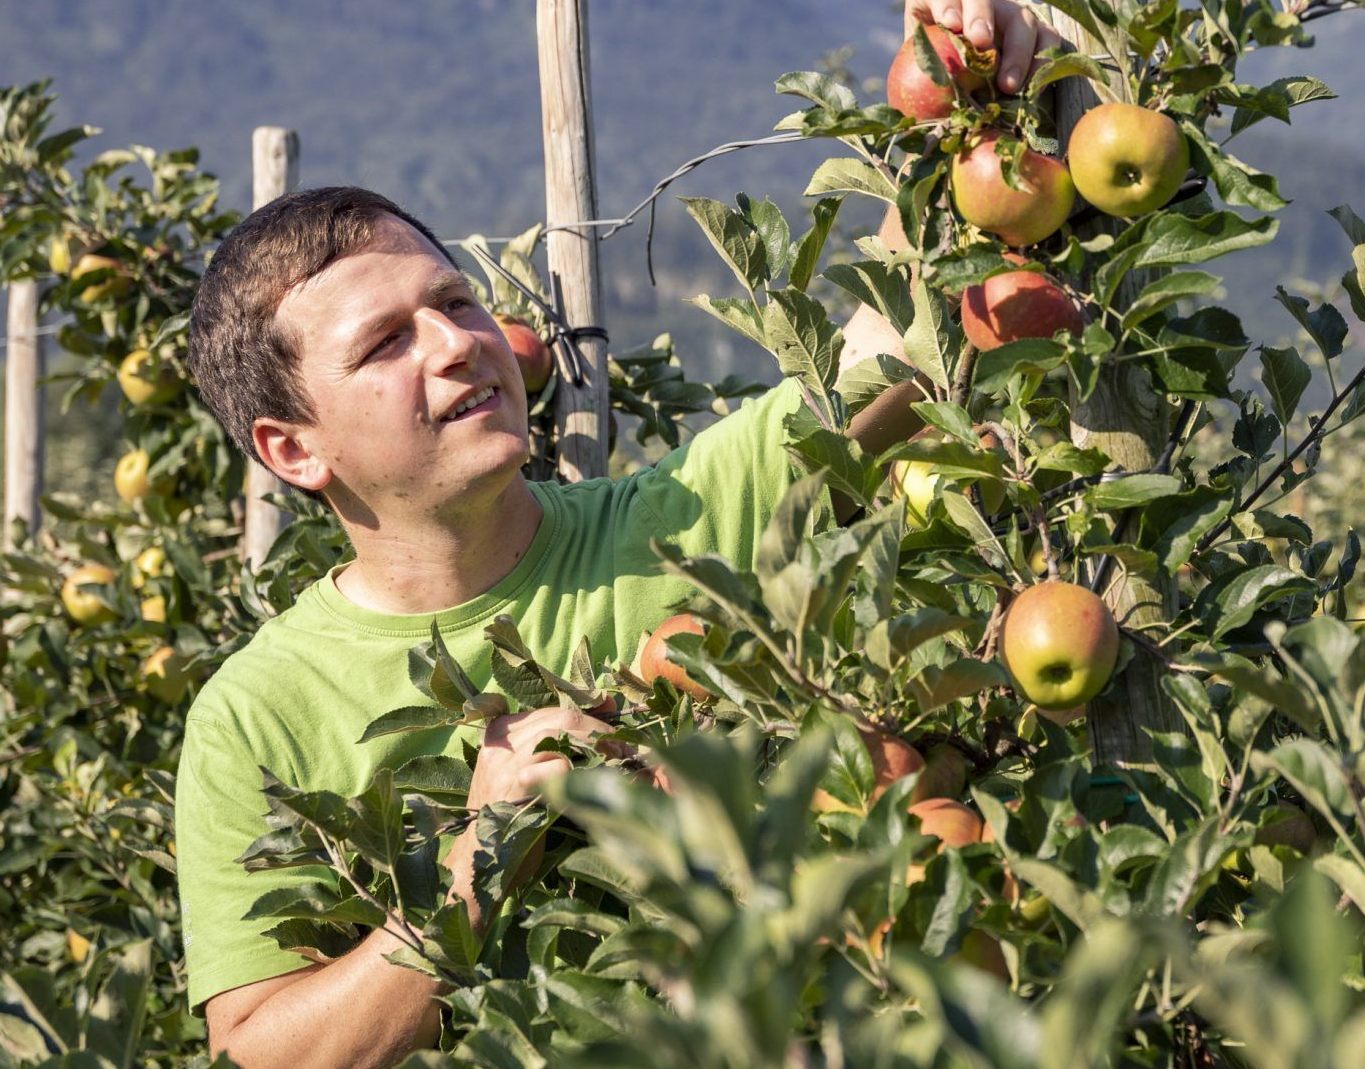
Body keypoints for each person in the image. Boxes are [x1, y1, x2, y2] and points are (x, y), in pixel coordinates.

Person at [175, 2, 1060, 1065]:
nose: (458, 345)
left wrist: (957, 85)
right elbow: (262, 1051)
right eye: (384, 345)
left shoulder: (685, 523)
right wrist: (482, 849)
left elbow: (898, 340)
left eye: (453, 302)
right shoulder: (258, 716)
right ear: (293, 450)